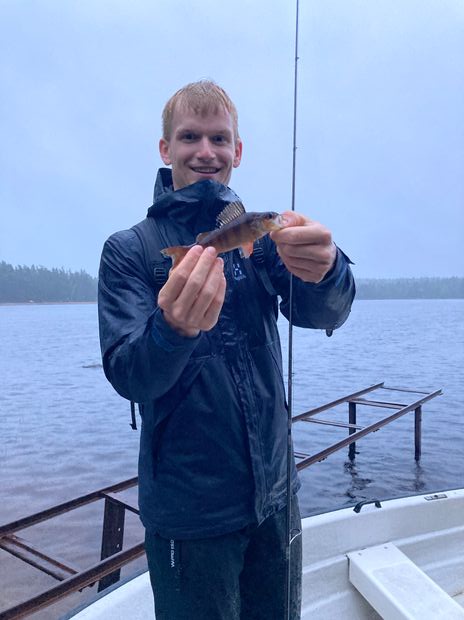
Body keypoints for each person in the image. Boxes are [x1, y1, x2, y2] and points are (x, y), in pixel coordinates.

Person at [98, 80, 355, 620]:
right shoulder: (129, 251)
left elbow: (324, 313)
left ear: (238, 151)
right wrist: (172, 330)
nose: (205, 151)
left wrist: (329, 272)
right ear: (165, 149)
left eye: (219, 138)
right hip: (189, 517)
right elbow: (129, 374)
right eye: (189, 136)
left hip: (276, 499)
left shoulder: (262, 244)